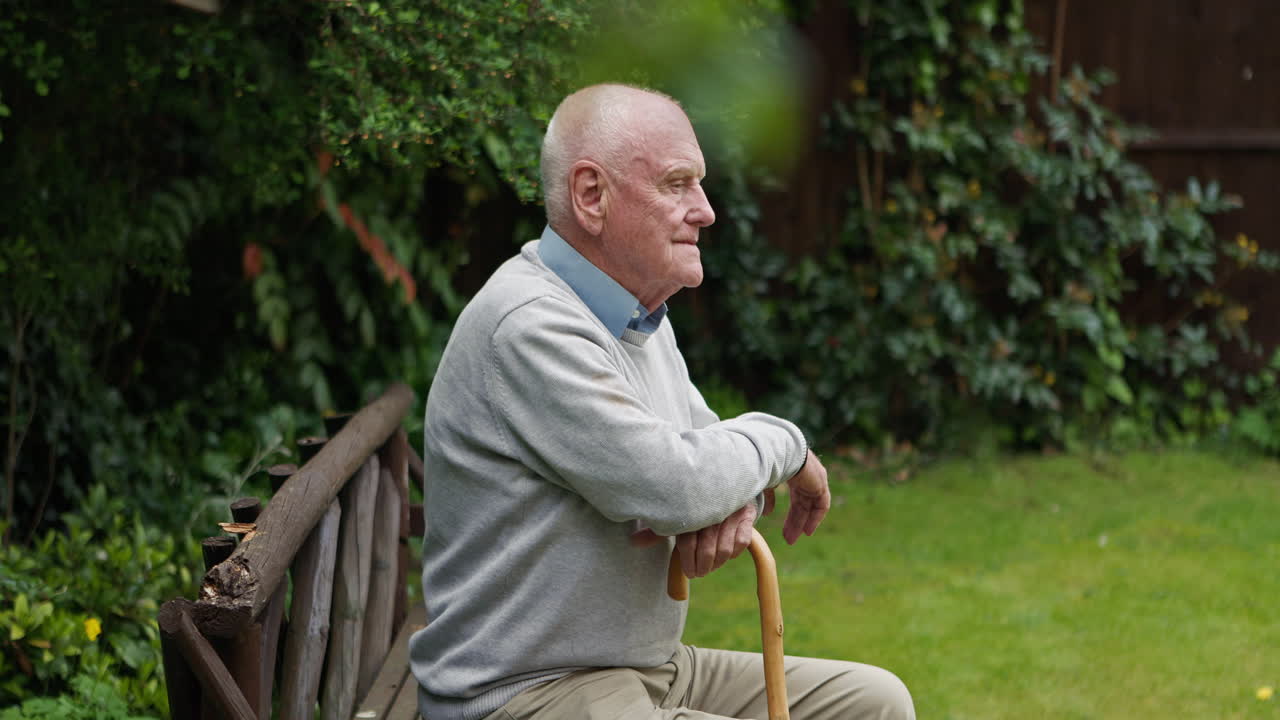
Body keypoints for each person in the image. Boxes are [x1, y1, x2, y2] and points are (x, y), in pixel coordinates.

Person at [409, 83, 914, 720]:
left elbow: (707, 468)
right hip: (527, 692)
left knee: (876, 703)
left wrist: (734, 495)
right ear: (592, 196)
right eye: (677, 184)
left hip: (651, 669)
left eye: (698, 185)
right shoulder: (530, 326)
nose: (705, 210)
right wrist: (786, 445)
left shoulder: (638, 316)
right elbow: (679, 483)